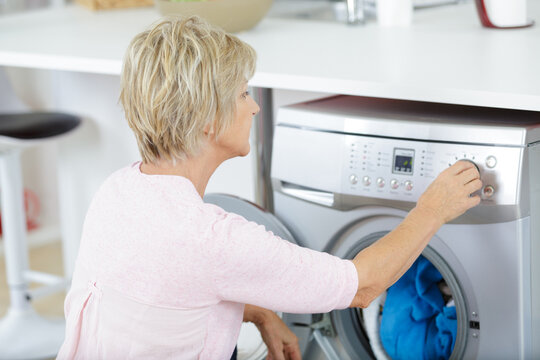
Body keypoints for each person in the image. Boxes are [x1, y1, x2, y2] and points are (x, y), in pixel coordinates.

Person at [57, 16, 482, 360]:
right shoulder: (214, 238)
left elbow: (165, 294)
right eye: (243, 94)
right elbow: (365, 285)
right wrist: (432, 208)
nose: (256, 106)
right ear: (208, 118)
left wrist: (258, 311)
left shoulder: (117, 191)